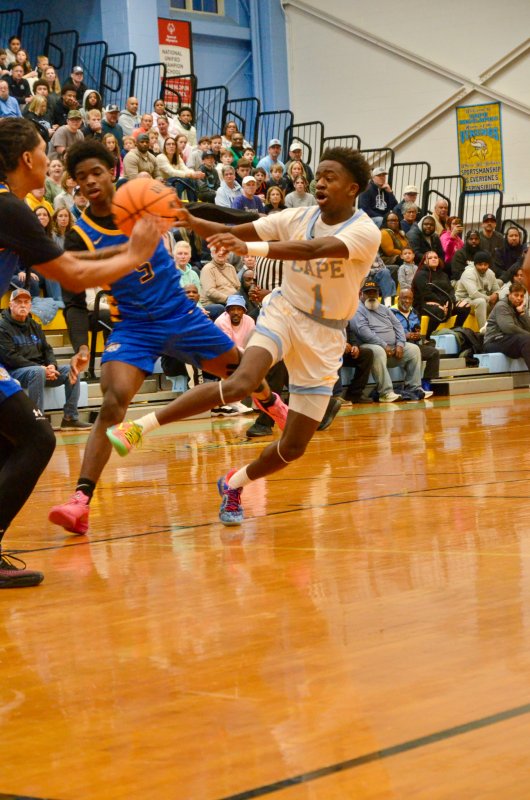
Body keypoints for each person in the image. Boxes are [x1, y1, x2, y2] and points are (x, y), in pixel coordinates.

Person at [106, 146, 382, 526]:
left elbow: (313, 249)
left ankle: (233, 484)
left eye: (330, 177)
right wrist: (185, 218)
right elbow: (232, 231)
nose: (319, 181)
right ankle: (139, 427)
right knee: (241, 383)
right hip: (286, 311)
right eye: (318, 174)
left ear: (353, 189)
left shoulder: (365, 230)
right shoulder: (298, 215)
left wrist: (247, 246)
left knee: (294, 447)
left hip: (327, 335)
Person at [48, 138, 282, 535]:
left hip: (181, 314)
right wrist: (83, 343)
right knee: (113, 401)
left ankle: (271, 404)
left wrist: (254, 219)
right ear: (73, 184)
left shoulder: (141, 201)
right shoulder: (79, 234)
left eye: (96, 172)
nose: (89, 181)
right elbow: (72, 298)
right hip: (134, 327)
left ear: (113, 173)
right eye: (80, 176)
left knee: (242, 376)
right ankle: (80, 501)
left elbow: (196, 211)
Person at [0, 117, 160, 586]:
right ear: (28, 159)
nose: (50, 159)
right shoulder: (11, 209)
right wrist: (135, 254)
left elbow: (64, 260)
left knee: (10, 439)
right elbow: (69, 274)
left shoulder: (11, 209)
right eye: (43, 151)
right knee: (37, 439)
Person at [0, 289, 90, 428]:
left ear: (30, 305)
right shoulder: (2, 326)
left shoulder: (34, 325)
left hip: (41, 371)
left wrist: (52, 365)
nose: (23, 305)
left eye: (26, 302)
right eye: (18, 302)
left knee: (71, 370)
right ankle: (37, 421)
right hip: (15, 372)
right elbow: (10, 357)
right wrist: (42, 368)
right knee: (37, 372)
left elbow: (47, 349)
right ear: (10, 305)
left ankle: (70, 418)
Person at [352, 280, 430, 402]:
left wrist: (400, 344)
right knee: (377, 350)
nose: (372, 296)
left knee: (414, 349)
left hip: (393, 348)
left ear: (379, 294)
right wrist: (384, 345)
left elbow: (398, 326)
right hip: (370, 346)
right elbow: (363, 332)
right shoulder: (357, 309)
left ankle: (414, 388)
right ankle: (385, 392)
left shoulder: (384, 308)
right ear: (361, 294)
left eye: (374, 293)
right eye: (368, 293)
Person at [412, 250, 470, 337]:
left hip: (445, 302)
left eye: (435, 257)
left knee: (465, 306)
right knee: (439, 310)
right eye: (430, 258)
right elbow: (427, 293)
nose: (434, 259)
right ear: (424, 261)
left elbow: (450, 290)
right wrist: (443, 304)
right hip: (425, 303)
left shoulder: (443, 274)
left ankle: (456, 330)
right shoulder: (420, 275)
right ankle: (428, 336)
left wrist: (450, 302)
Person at [391, 288, 440, 390]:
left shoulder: (414, 313)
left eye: (410, 298)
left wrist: (417, 335)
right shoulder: (390, 312)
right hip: (397, 346)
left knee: (434, 352)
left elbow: (417, 329)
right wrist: (405, 336)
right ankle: (411, 385)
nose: (407, 301)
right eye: (404, 298)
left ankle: (426, 381)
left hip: (414, 344)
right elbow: (388, 333)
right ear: (398, 298)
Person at [483, 281, 530, 368]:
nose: (519, 298)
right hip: (494, 341)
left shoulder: (521, 307)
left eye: (522, 296)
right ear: (509, 294)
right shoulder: (502, 306)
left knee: (526, 339)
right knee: (526, 339)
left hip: (512, 341)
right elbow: (508, 328)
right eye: (516, 295)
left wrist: (522, 313)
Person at [455, 250, 501, 329]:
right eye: (480, 264)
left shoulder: (490, 273)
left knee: (501, 301)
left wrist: (496, 295)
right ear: (475, 264)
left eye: (485, 264)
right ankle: (483, 332)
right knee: (481, 301)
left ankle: (498, 330)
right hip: (464, 300)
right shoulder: (469, 273)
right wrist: (490, 298)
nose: (483, 267)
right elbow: (474, 294)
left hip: (483, 299)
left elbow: (497, 289)